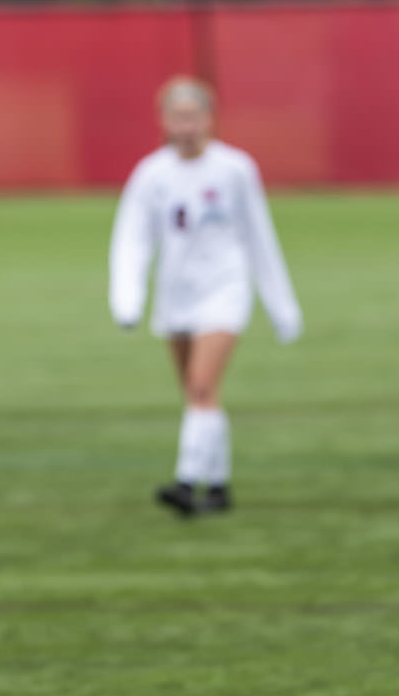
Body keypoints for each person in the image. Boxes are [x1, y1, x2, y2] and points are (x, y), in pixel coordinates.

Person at [108, 76, 301, 517]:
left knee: (201, 385)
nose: (187, 126)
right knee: (200, 395)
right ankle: (218, 487)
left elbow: (259, 237)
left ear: (210, 119)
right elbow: (131, 240)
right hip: (177, 296)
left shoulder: (235, 169)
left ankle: (185, 481)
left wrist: (282, 308)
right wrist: (127, 300)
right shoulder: (151, 174)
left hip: (224, 292)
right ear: (164, 121)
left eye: (194, 116)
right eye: (178, 117)